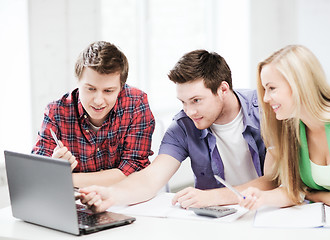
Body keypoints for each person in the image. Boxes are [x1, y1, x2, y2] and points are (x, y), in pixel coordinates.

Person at [79, 49, 275, 212]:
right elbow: (151, 178)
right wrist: (112, 195)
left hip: (271, 212)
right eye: (183, 102)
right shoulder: (183, 125)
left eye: (196, 100)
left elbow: (274, 180)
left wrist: (212, 197)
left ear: (223, 90)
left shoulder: (267, 110)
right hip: (220, 220)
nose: (189, 111)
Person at [238, 44, 330, 211]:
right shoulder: (292, 127)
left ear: (299, 84)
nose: (266, 98)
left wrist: (313, 196)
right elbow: (293, 189)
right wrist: (262, 197)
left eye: (272, 88)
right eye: (264, 89)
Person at [32, 41, 155, 188]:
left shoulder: (136, 103)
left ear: (121, 87)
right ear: (78, 82)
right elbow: (38, 174)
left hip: (123, 199)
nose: (98, 101)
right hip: (77, 203)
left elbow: (135, 168)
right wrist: (53, 167)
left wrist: (65, 178)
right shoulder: (56, 112)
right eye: (90, 89)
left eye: (108, 91)